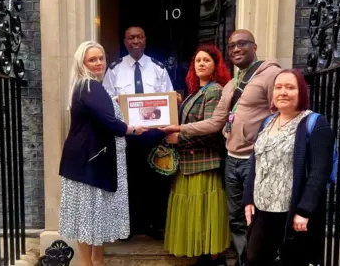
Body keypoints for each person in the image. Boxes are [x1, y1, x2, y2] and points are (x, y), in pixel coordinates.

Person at [162, 29, 282, 265]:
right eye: (232, 45)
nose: (236, 49)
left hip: (255, 159)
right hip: (232, 158)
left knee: (255, 217)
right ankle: (242, 260)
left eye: (242, 44)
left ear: (255, 46)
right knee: (236, 219)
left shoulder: (271, 74)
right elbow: (216, 123)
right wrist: (179, 129)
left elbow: (281, 111)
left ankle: (260, 260)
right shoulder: (230, 86)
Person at [58, 41, 149, 266]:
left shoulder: (85, 86)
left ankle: (94, 263)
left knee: (87, 219)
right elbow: (109, 121)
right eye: (92, 59)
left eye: (101, 58)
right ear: (82, 63)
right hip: (91, 163)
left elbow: (99, 111)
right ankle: (93, 264)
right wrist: (131, 129)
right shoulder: (91, 86)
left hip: (86, 162)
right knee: (90, 218)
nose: (99, 63)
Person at [243, 69, 334, 266]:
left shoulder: (316, 124)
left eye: (290, 87)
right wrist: (249, 198)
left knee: (292, 261)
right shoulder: (267, 122)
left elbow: (319, 172)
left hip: (292, 212)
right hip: (263, 209)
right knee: (254, 258)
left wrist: (304, 211)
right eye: (278, 87)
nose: (283, 92)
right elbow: (256, 162)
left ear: (301, 92)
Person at [102, 26, 174, 240]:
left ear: (145, 40)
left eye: (139, 37)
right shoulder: (114, 70)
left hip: (153, 137)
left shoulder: (158, 68)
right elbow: (107, 101)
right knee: (128, 181)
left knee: (154, 181)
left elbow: (168, 99)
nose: (135, 41)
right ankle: (129, 227)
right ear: (124, 42)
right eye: (131, 37)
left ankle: (154, 224)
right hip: (126, 136)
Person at [164, 44, 231, 266]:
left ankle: (212, 259)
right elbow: (192, 122)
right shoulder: (196, 92)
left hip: (204, 163)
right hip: (189, 162)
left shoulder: (214, 90)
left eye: (207, 60)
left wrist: (179, 138)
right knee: (196, 214)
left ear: (215, 65)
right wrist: (178, 105)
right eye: (198, 61)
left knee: (203, 215)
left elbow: (212, 131)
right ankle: (203, 257)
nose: (201, 64)